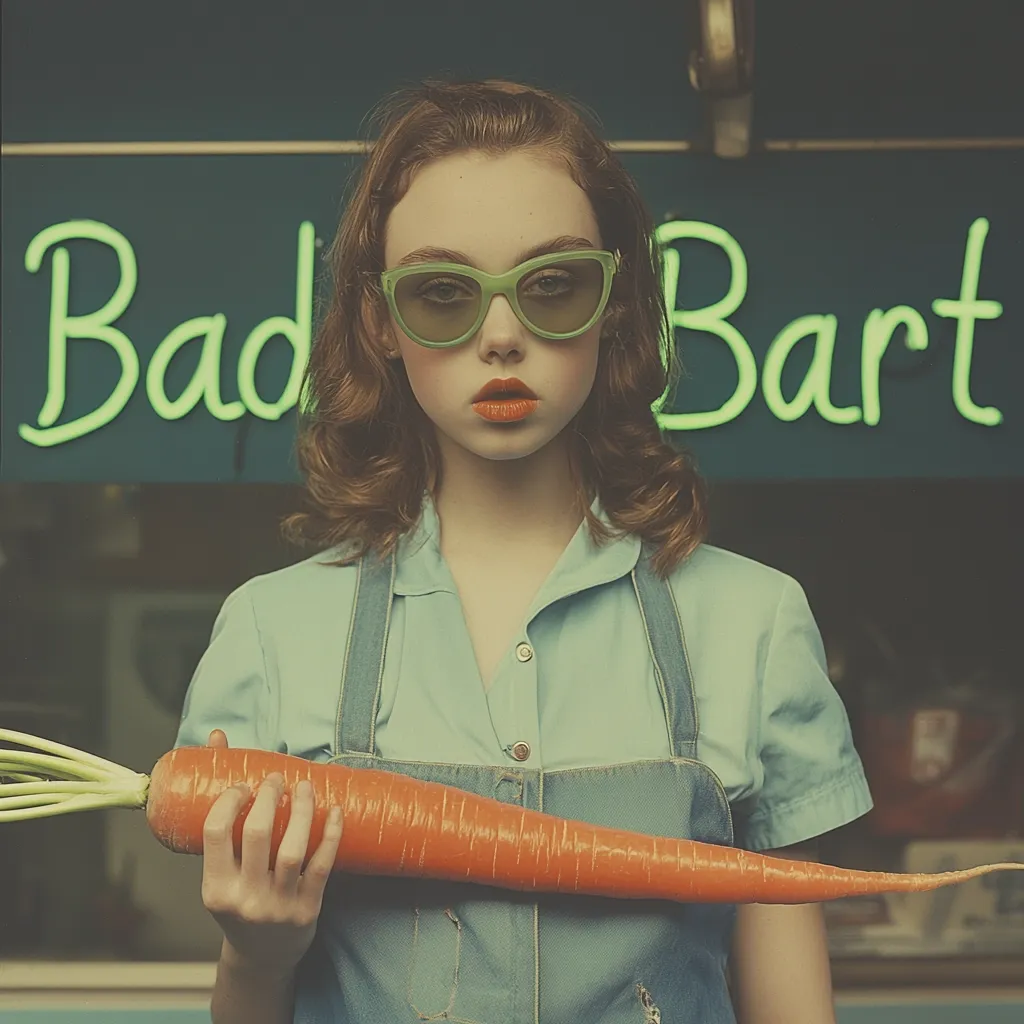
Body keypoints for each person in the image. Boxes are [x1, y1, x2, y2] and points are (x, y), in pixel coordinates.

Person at [174, 77, 873, 1024]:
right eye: (441, 293)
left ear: (614, 301)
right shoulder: (271, 633)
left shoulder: (751, 623)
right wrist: (261, 957)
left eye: (552, 285)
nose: (501, 336)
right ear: (380, 320)